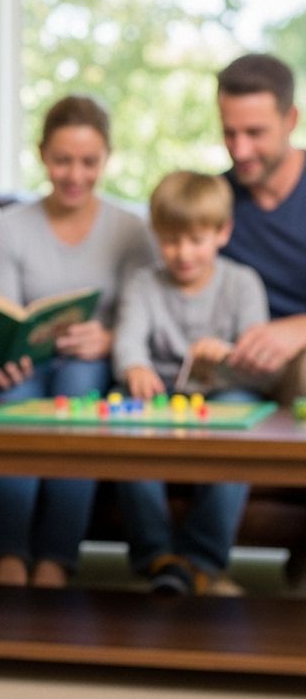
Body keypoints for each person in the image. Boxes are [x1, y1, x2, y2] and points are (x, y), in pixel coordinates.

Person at [0, 95, 154, 588]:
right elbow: (5, 317)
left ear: (106, 159)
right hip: (28, 367)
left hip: (91, 363)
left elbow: (146, 313)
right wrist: (8, 354)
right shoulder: (8, 229)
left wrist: (111, 337)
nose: (75, 174)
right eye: (62, 160)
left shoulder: (132, 230)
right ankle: (8, 554)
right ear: (41, 155)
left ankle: (58, 557)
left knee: (81, 393)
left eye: (88, 162)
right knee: (11, 403)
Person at [113, 171, 269, 595]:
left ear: (223, 233)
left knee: (241, 421)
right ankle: (158, 557)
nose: (183, 253)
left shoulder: (242, 283)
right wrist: (135, 368)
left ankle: (200, 561)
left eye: (196, 240)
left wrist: (228, 354)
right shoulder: (144, 282)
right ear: (156, 235)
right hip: (160, 396)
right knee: (126, 426)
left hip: (223, 393)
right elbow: (128, 342)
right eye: (170, 241)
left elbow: (258, 356)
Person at [214, 53, 306, 405]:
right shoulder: (215, 201)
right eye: (229, 133)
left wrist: (299, 329)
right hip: (237, 365)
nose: (240, 150)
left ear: (290, 119)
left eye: (255, 133)